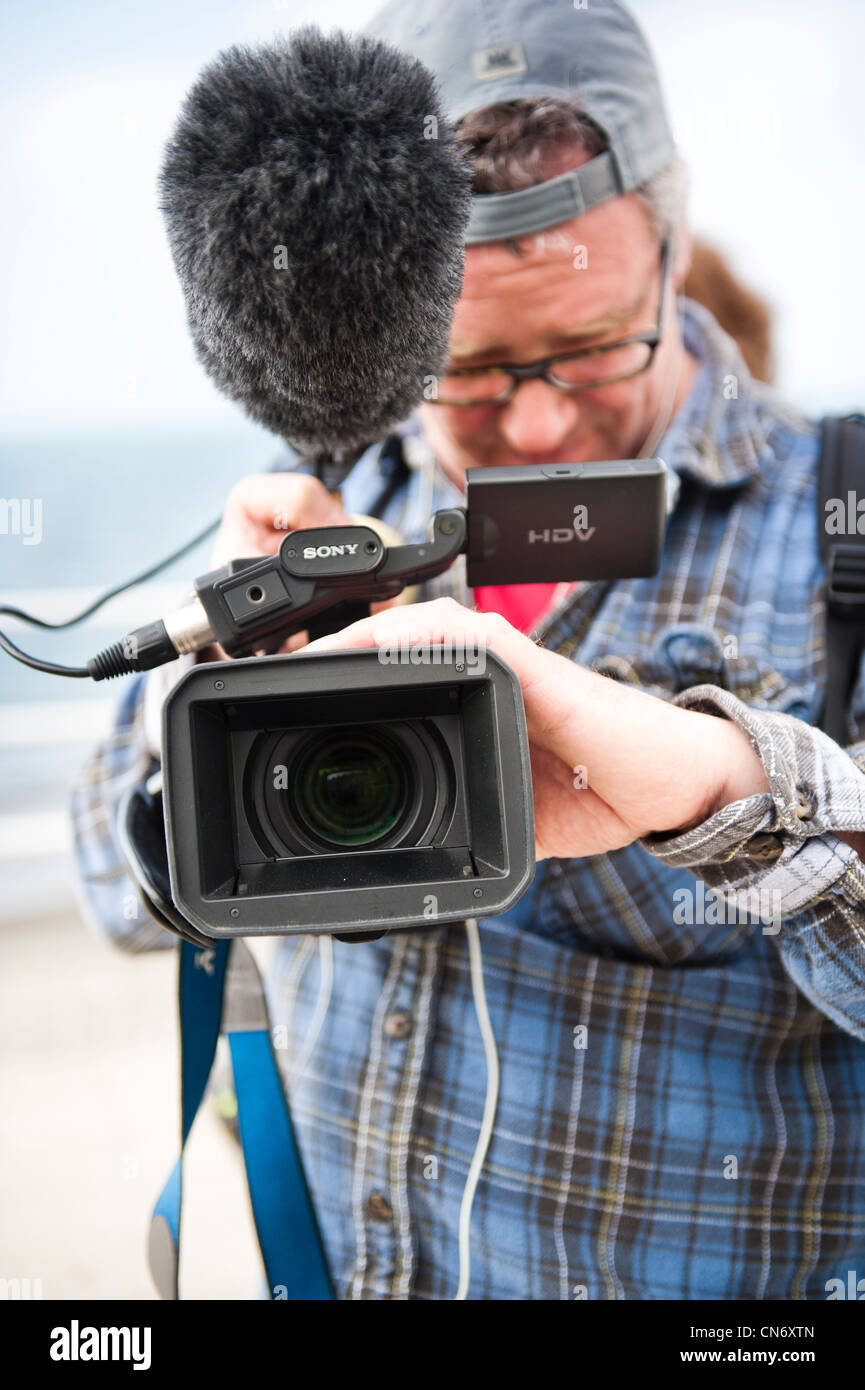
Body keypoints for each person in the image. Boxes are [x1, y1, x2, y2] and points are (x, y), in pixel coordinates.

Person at [71, 0, 865, 1300]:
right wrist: (227, 711)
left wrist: (722, 787)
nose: (544, 422)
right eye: (471, 369)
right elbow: (117, 883)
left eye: (598, 344)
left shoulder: (842, 523)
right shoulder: (320, 497)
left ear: (669, 246)